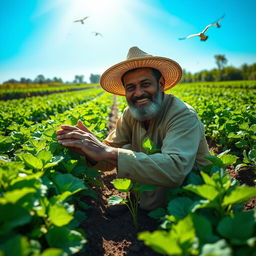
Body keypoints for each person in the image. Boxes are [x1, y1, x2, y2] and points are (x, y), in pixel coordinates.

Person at [56, 46, 210, 211]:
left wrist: (108, 152)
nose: (138, 93)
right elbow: (109, 154)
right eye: (131, 87)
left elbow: (175, 168)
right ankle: (137, 203)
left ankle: (147, 208)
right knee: (125, 148)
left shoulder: (183, 115)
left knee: (123, 152)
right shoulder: (130, 114)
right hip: (152, 198)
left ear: (161, 84)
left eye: (145, 84)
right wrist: (88, 150)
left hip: (190, 203)